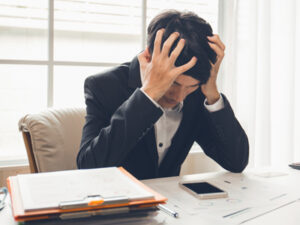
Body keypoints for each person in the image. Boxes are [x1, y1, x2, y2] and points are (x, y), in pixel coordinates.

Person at [77, 10, 249, 179]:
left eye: (190, 87)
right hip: (117, 203)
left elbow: (236, 162)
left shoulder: (198, 94)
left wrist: (212, 94)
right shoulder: (104, 86)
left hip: (171, 204)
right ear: (150, 57)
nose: (179, 97)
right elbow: (89, 167)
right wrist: (148, 95)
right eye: (173, 83)